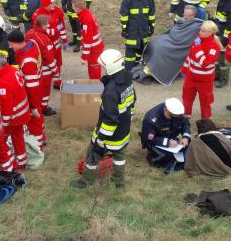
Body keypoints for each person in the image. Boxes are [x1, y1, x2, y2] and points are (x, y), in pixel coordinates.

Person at [71, 49, 135, 188]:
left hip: (109, 135)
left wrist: (100, 140)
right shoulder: (128, 79)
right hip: (123, 131)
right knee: (119, 157)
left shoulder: (111, 91)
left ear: (110, 67)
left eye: (104, 67)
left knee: (92, 154)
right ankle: (118, 182)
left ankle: (86, 181)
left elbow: (110, 120)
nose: (103, 69)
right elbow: (132, 102)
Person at [0, 53, 32, 169]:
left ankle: (10, 162)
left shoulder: (2, 82)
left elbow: (6, 105)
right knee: (18, 137)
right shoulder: (13, 70)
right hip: (22, 112)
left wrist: (4, 123)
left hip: (14, 117)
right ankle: (22, 160)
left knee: (1, 139)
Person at [7, 29, 46, 149]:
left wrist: (33, 106)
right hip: (38, 82)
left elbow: (31, 87)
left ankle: (37, 145)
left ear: (18, 43)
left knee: (35, 118)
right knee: (38, 117)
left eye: (11, 44)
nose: (10, 46)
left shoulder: (28, 61)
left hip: (33, 90)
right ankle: (41, 138)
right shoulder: (31, 43)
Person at [181, 21, 222, 119]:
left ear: (210, 33)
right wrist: (185, 68)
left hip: (205, 81)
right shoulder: (197, 40)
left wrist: (198, 48)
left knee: (205, 102)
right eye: (200, 30)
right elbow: (190, 56)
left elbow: (204, 63)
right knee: (186, 100)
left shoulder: (215, 47)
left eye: (203, 31)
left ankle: (206, 122)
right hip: (191, 77)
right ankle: (185, 120)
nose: (200, 32)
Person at [141, 98, 191, 170]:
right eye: (171, 116)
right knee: (168, 156)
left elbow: (186, 123)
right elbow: (147, 139)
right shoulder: (151, 119)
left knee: (189, 146)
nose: (174, 118)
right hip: (157, 141)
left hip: (171, 137)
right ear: (165, 109)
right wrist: (167, 142)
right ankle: (151, 156)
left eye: (176, 117)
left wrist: (186, 137)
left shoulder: (175, 111)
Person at [119, 0, 156, 71]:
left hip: (143, 32)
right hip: (131, 32)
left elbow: (151, 15)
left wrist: (151, 27)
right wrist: (124, 29)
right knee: (130, 54)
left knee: (140, 51)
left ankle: (135, 70)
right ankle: (127, 71)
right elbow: (124, 16)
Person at [32, 0, 67, 89]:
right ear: (45, 4)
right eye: (51, 3)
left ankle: (57, 82)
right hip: (45, 45)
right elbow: (49, 32)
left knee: (58, 63)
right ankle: (44, 83)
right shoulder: (37, 15)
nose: (54, 5)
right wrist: (57, 28)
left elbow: (62, 26)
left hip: (56, 44)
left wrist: (64, 40)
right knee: (46, 64)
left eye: (54, 2)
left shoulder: (58, 11)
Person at [26, 16, 58, 116]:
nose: (48, 26)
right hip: (45, 68)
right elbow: (49, 58)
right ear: (42, 25)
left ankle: (36, 106)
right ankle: (44, 108)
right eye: (46, 24)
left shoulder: (30, 33)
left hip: (34, 66)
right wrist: (55, 71)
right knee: (45, 91)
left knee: (35, 90)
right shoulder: (43, 39)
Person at [73, 0, 104, 79]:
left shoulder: (86, 19)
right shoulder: (85, 14)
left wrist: (84, 57)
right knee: (92, 68)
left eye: (73, 7)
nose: (72, 8)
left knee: (94, 70)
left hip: (94, 49)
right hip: (95, 47)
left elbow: (88, 40)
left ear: (78, 8)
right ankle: (94, 86)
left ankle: (96, 88)